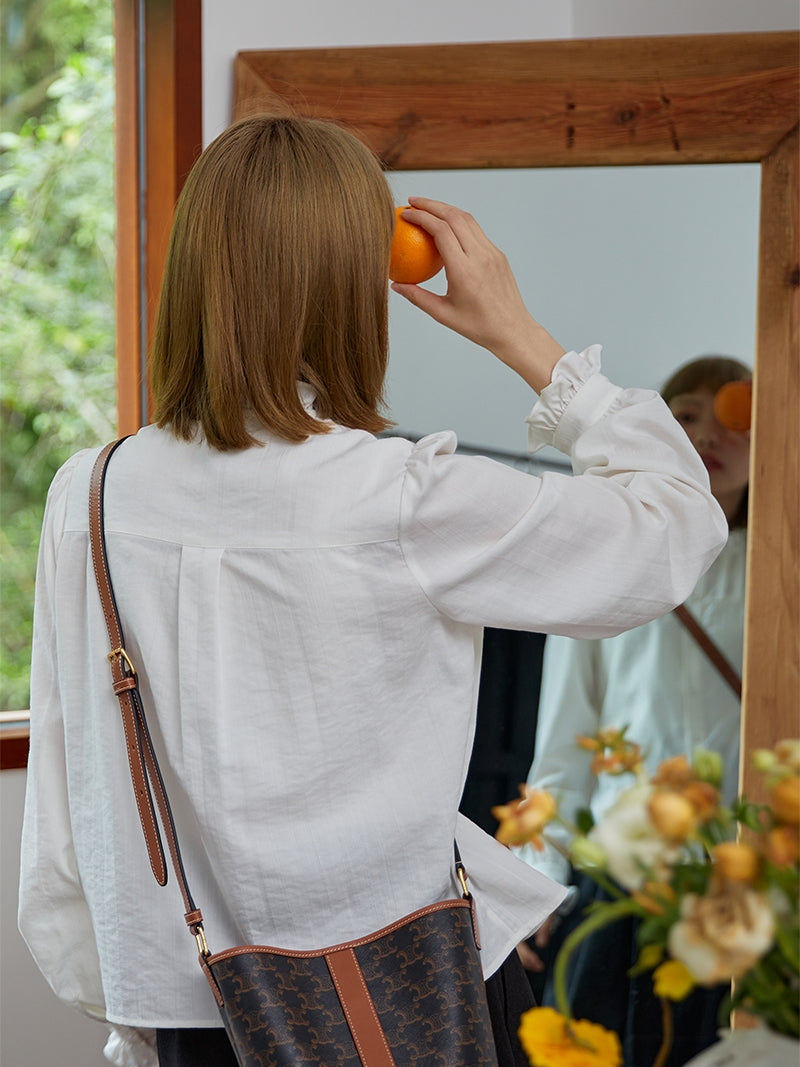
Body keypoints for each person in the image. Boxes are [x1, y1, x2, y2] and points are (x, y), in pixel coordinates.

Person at [18, 116, 727, 1067]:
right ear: (356, 286)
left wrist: (133, 1007)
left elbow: (71, 810)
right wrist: (522, 335)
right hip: (409, 994)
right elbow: (678, 523)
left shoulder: (90, 495)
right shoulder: (404, 497)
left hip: (192, 1012)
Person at [517, 355, 751, 1066]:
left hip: (745, 888)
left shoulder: (783, 570)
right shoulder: (610, 557)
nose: (708, 434)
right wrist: (533, 885)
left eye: (733, 417)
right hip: (623, 879)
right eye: (685, 415)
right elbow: (565, 740)